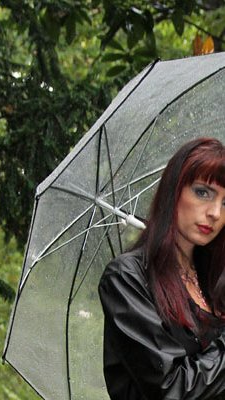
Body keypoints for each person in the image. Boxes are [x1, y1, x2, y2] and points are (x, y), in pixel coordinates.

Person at [98, 137, 225, 400]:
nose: (215, 212)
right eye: (203, 192)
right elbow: (170, 387)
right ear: (173, 191)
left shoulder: (215, 281)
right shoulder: (128, 278)